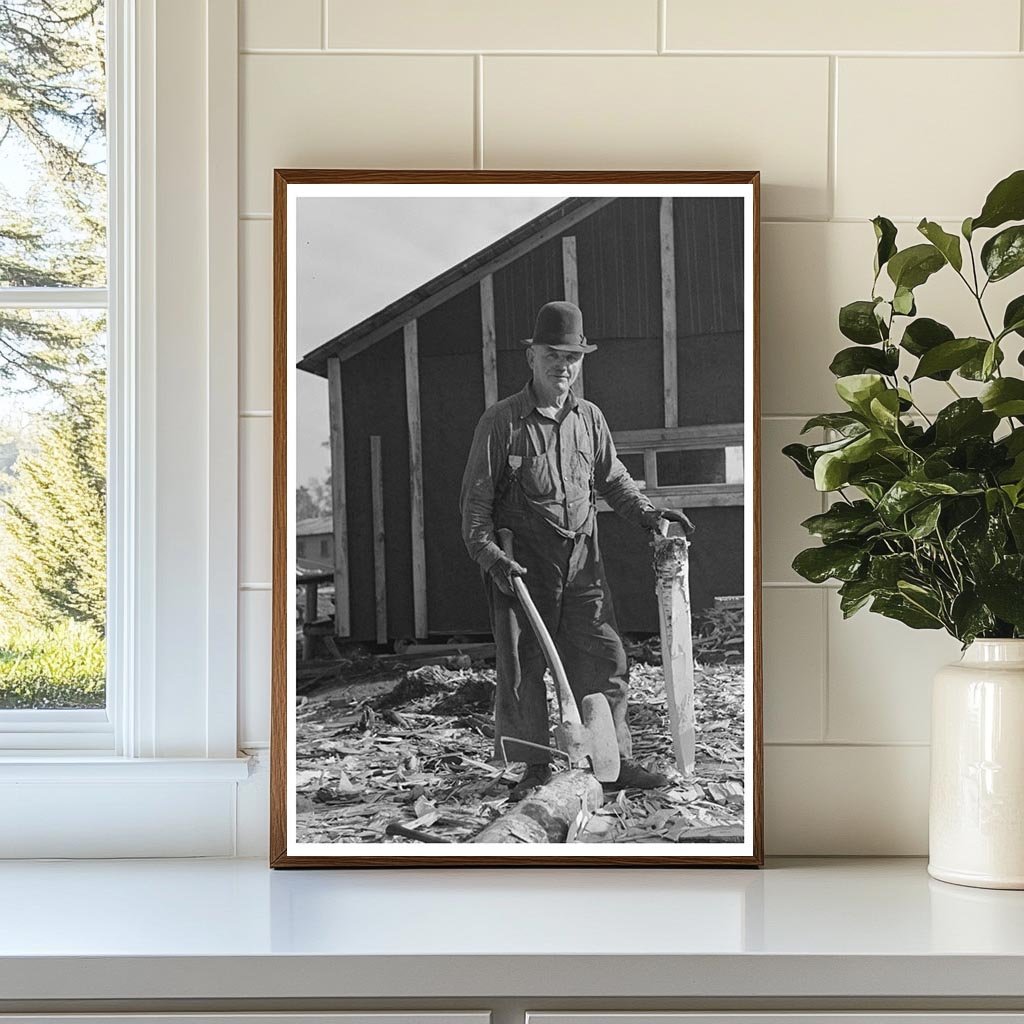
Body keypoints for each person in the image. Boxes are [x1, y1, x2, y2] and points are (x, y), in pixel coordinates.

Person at [459, 300, 694, 800]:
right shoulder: (501, 423)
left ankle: (613, 762)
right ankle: (534, 769)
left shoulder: (589, 418)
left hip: (582, 563)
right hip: (520, 567)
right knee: (522, 667)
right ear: (531, 357)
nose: (562, 366)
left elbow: (614, 481)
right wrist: (491, 559)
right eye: (552, 353)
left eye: (572, 356)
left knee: (605, 656)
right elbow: (475, 509)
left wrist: (651, 516)